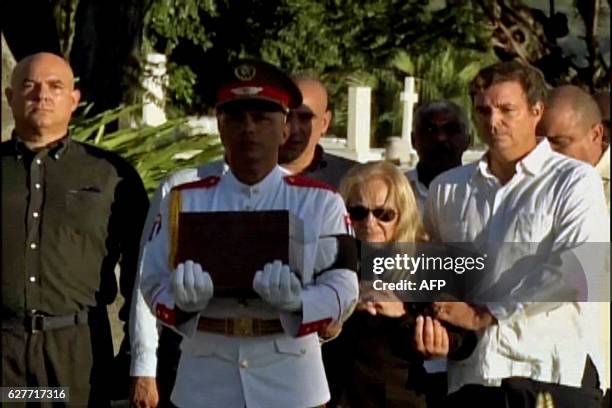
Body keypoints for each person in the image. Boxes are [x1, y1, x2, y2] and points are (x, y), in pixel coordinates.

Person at [138, 59, 359, 407]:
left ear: (284, 128)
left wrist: (300, 303)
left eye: (262, 118)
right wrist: (182, 306)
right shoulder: (185, 201)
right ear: (221, 127)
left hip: (290, 378)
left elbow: (344, 286)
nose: (249, 129)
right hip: (205, 380)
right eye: (236, 118)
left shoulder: (320, 202)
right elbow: (151, 280)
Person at [416, 61, 608, 407]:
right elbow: (435, 271)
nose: (494, 121)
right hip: (472, 374)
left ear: (536, 111)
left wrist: (488, 313)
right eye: (483, 110)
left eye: (507, 109)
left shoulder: (575, 181)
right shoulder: (447, 189)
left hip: (549, 370)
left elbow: (581, 271)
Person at [1, 52, 148, 406]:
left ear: (74, 100)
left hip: (78, 358)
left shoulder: (111, 175)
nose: (42, 95)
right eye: (29, 86)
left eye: (55, 86)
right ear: (10, 97)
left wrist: (137, 358)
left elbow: (143, 273)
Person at [322, 161, 428, 408]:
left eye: (384, 214)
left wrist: (402, 312)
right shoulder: (326, 259)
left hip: (399, 398)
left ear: (402, 216)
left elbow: (462, 337)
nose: (370, 223)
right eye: (358, 212)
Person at [536, 84, 610, 398]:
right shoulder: (528, 186)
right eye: (539, 142)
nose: (546, 153)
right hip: (548, 366)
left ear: (596, 134)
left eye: (559, 142)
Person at [279, 75, 357, 187]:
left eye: (305, 118)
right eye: (287, 116)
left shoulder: (352, 180)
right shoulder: (248, 177)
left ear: (324, 122)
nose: (294, 128)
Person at [406, 100, 471, 211]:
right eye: (430, 130)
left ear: (468, 141)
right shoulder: (395, 189)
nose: (440, 138)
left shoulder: (481, 192)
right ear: (413, 140)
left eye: (451, 129)